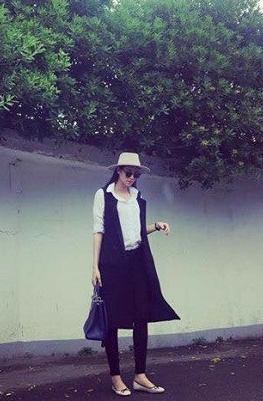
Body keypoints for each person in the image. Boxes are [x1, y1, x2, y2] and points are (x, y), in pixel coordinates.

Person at [92, 152, 180, 396]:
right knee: (112, 320)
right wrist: (95, 266)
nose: (132, 177)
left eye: (136, 174)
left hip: (138, 262)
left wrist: (156, 226)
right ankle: (116, 377)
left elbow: (137, 231)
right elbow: (98, 230)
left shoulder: (137, 197)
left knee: (141, 316)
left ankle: (140, 376)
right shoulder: (104, 195)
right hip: (112, 264)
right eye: (128, 173)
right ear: (118, 171)